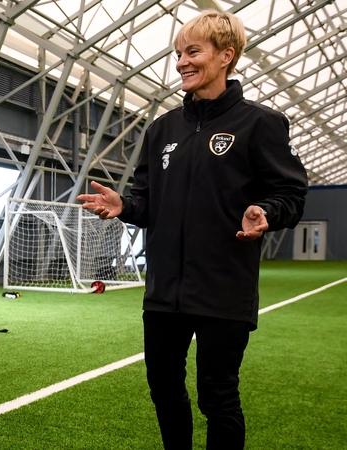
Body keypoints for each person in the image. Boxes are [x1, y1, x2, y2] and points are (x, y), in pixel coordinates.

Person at [77, 10, 307, 450]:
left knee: (218, 397)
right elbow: (146, 201)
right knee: (164, 390)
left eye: (193, 52)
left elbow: (291, 195)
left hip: (224, 289)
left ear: (226, 55)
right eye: (178, 54)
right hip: (164, 291)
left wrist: (266, 212)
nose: (181, 62)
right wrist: (125, 205)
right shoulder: (162, 129)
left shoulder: (260, 123)